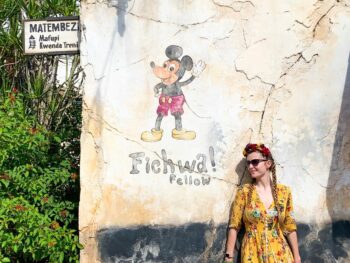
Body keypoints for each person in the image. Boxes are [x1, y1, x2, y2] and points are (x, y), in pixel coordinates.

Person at [224, 143, 301, 263]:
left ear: (268, 163)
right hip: (252, 253)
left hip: (280, 254)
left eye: (254, 162)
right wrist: (229, 257)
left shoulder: (284, 192)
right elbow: (234, 226)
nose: (250, 166)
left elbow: (290, 227)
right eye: (248, 163)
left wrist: (297, 257)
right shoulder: (244, 192)